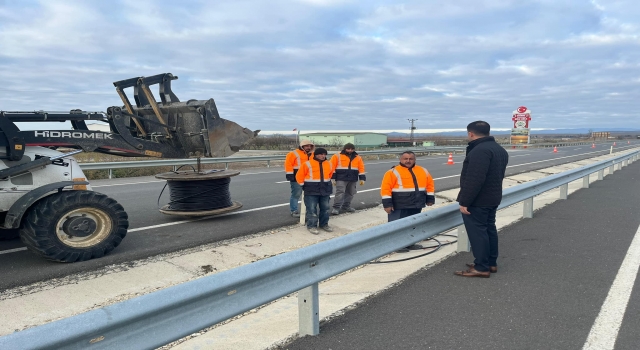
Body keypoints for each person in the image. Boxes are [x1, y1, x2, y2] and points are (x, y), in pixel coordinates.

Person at [454, 121, 509, 278]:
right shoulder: (499, 149)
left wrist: (465, 201)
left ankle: (481, 267)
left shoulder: (480, 151)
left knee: (478, 233)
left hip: (479, 200)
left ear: (471, 134)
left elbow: (475, 179)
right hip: (493, 197)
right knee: (489, 230)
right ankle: (490, 263)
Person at [380, 151, 435, 252]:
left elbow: (430, 185)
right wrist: (387, 204)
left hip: (417, 204)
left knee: (413, 225)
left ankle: (410, 243)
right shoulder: (392, 172)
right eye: (405, 159)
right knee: (397, 226)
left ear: (415, 160)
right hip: (399, 204)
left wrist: (430, 198)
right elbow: (385, 189)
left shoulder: (423, 170)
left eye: (411, 159)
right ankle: (397, 245)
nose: (408, 161)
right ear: (400, 159)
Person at [296, 148, 335, 234]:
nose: (323, 156)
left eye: (324, 154)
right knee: (311, 209)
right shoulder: (307, 164)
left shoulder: (329, 164)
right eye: (320, 154)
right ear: (316, 155)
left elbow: (330, 174)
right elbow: (299, 176)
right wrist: (303, 185)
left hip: (325, 190)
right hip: (311, 190)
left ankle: (324, 224)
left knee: (325, 209)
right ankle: (312, 226)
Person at [330, 143, 366, 215]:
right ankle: (336, 208)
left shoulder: (358, 157)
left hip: (352, 178)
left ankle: (346, 206)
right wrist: (333, 178)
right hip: (341, 177)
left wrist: (362, 178)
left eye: (352, 149)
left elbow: (361, 168)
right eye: (348, 149)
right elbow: (331, 167)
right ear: (344, 149)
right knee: (340, 192)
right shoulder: (337, 156)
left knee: (350, 193)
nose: (350, 150)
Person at [285, 139, 315, 217]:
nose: (308, 147)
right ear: (302, 146)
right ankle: (294, 211)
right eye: (307, 146)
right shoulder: (293, 153)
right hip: (296, 178)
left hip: (309, 178)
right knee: (296, 194)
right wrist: (290, 175)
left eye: (310, 146)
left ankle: (309, 210)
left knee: (309, 195)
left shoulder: (313, 154)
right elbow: (288, 164)